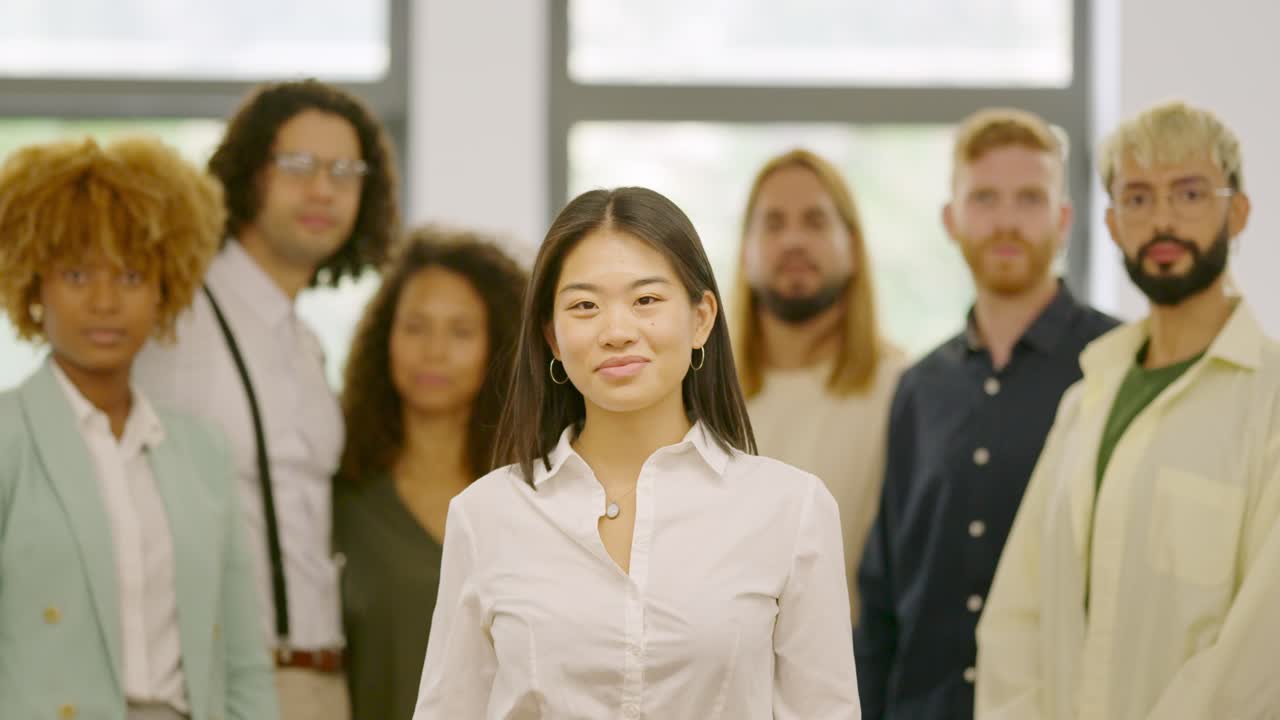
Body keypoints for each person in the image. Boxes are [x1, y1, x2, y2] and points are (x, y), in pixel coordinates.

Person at [412, 187, 860, 719]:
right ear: (553, 338)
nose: (617, 332)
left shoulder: (792, 509)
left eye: (646, 300)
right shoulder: (486, 515)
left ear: (700, 319)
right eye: (585, 306)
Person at [976, 101, 1280, 719]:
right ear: (1113, 224)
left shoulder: (1271, 401)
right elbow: (1016, 618)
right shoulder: (1086, 398)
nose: (1162, 219)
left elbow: (1259, 651)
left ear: (1238, 211)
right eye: (1137, 199)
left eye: (1189, 193)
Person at [132, 79, 399, 720]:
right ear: (249, 173)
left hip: (316, 681)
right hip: (208, 682)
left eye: (345, 171)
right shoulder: (173, 316)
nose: (323, 190)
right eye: (298, 166)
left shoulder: (305, 344)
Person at [0, 136, 277, 719]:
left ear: (165, 289)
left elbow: (242, 659)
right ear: (34, 288)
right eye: (77, 275)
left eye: (130, 277)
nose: (104, 302)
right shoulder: (8, 437)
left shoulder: (200, 450)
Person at [855, 108, 1117, 719]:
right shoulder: (920, 387)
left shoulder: (1116, 366)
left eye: (1029, 198)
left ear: (1063, 219)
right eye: (984, 198)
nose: (1005, 220)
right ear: (952, 219)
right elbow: (886, 588)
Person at [334, 226, 527, 720]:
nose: (434, 351)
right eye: (415, 327)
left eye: (461, 331)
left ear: (497, 346)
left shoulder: (531, 498)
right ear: (385, 337)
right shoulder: (341, 494)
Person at [733, 149, 906, 624]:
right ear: (745, 250)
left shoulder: (901, 391)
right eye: (773, 223)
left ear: (852, 247)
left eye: (814, 221)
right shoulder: (699, 395)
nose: (793, 240)